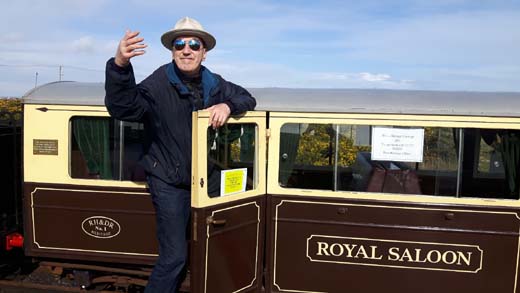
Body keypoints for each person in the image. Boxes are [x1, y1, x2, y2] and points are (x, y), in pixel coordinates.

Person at [104, 17, 256, 292]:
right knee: (174, 257)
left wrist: (227, 104)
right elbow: (123, 108)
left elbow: (247, 98)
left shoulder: (215, 83)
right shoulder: (157, 84)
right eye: (180, 44)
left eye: (194, 44)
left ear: (204, 51)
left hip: (204, 178)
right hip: (169, 181)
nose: (187, 50)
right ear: (172, 50)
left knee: (221, 239)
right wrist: (120, 65)